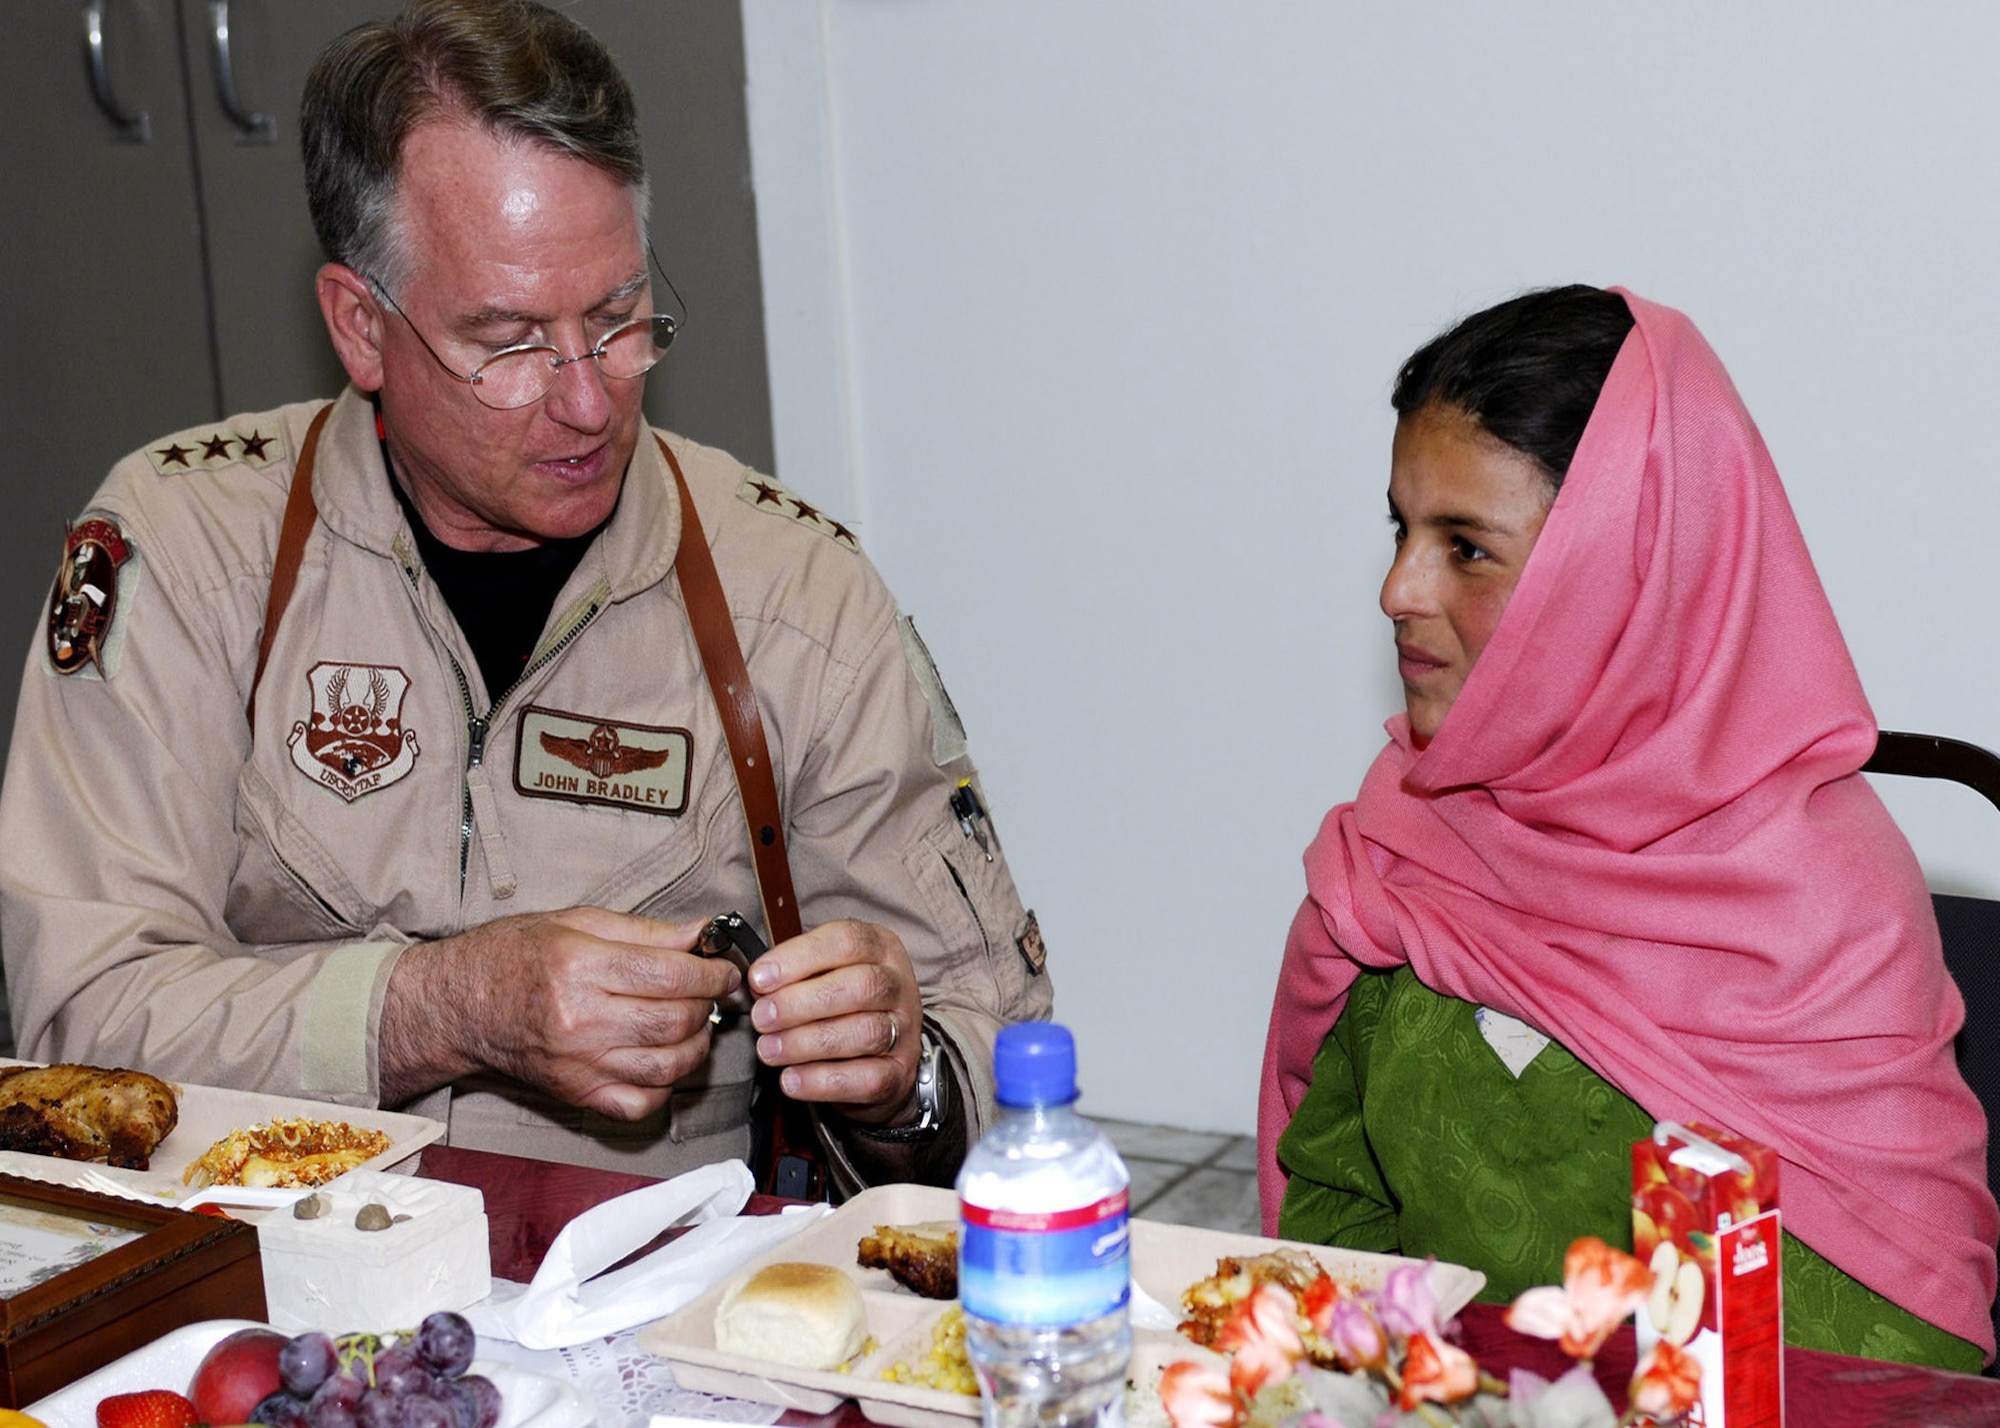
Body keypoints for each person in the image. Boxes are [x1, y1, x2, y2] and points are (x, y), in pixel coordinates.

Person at [0, 0, 1051, 1194]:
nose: (589, 401)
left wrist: (898, 1075)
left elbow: (1001, 1065)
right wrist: (443, 1008)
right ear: (359, 326)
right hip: (253, 1279)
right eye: (505, 342)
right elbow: (73, 1027)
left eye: (616, 319)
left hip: (646, 1307)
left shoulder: (790, 598)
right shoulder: (191, 550)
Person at [1258, 285, 1998, 1369]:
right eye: (1402, 528)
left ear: (1619, 576)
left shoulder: (1813, 903)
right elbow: (1331, 1219)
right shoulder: (1397, 849)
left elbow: (1886, 1339)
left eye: (1464, 546)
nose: (1395, 589)